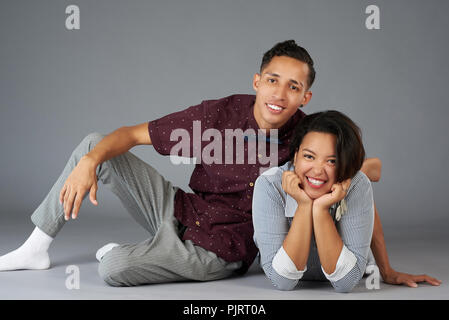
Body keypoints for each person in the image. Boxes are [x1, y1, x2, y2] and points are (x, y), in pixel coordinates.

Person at [0, 40, 440, 288]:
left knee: (114, 271)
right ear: (257, 81)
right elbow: (132, 136)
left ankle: (135, 254)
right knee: (96, 143)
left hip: (222, 248)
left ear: (305, 97)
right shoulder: (217, 115)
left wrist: (385, 268)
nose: (279, 94)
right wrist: (90, 161)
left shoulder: (309, 137)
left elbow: (365, 176)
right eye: (272, 80)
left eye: (293, 87)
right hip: (180, 209)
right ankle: (37, 247)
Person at [253, 110, 374, 292]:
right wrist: (303, 205)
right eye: (309, 156)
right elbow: (282, 281)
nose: (317, 171)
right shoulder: (270, 185)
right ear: (295, 155)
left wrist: (320, 210)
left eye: (332, 161)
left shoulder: (356, 184)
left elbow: (346, 283)